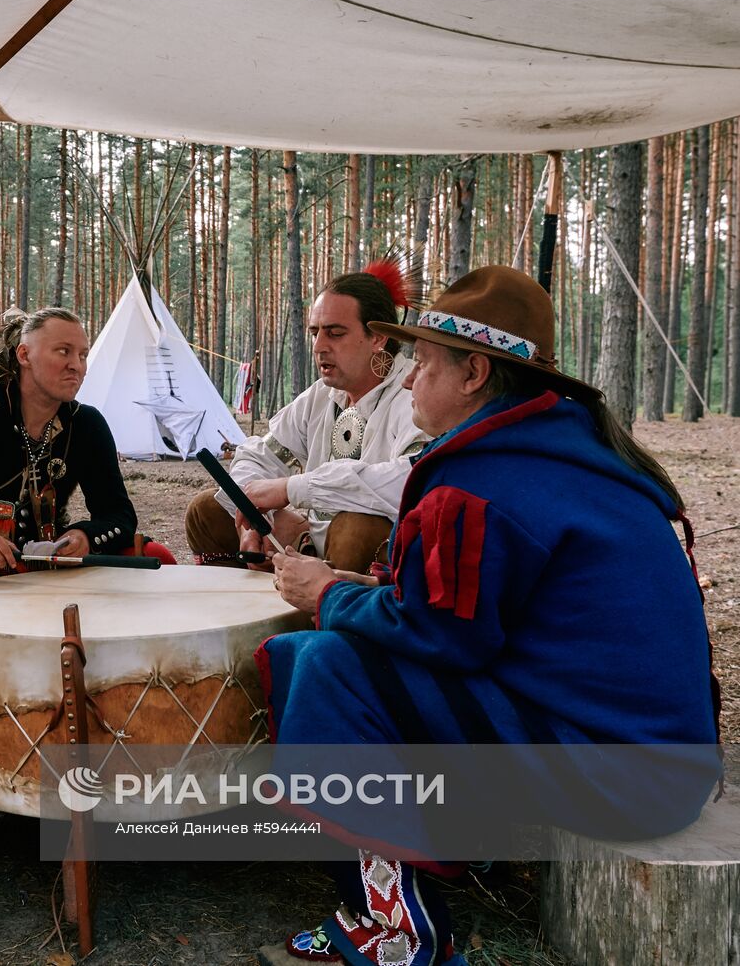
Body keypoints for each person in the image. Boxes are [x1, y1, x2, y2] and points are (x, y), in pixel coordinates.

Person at [257, 266, 719, 965]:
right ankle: (446, 846)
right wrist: (356, 587)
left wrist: (329, 594)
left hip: (619, 772)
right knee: (326, 649)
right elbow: (483, 616)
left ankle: (401, 931)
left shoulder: (484, 479)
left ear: (474, 373)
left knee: (328, 666)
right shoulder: (562, 452)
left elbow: (445, 637)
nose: (409, 380)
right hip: (659, 758)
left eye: (423, 364)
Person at [0, 307, 173, 594]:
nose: (76, 366)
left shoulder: (87, 425)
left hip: (48, 562)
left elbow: (119, 514)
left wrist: (85, 536)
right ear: (24, 355)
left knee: (156, 557)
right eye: (63, 351)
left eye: (82, 355)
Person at [185, 260, 429, 573]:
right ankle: (261, 616)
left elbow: (410, 482)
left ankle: (333, 614)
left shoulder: (412, 394)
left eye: (335, 333)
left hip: (371, 557)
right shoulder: (320, 396)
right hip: (310, 541)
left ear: (378, 337)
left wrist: (290, 489)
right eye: (315, 333)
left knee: (356, 529)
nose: (319, 346)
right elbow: (256, 456)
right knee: (206, 511)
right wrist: (256, 520)